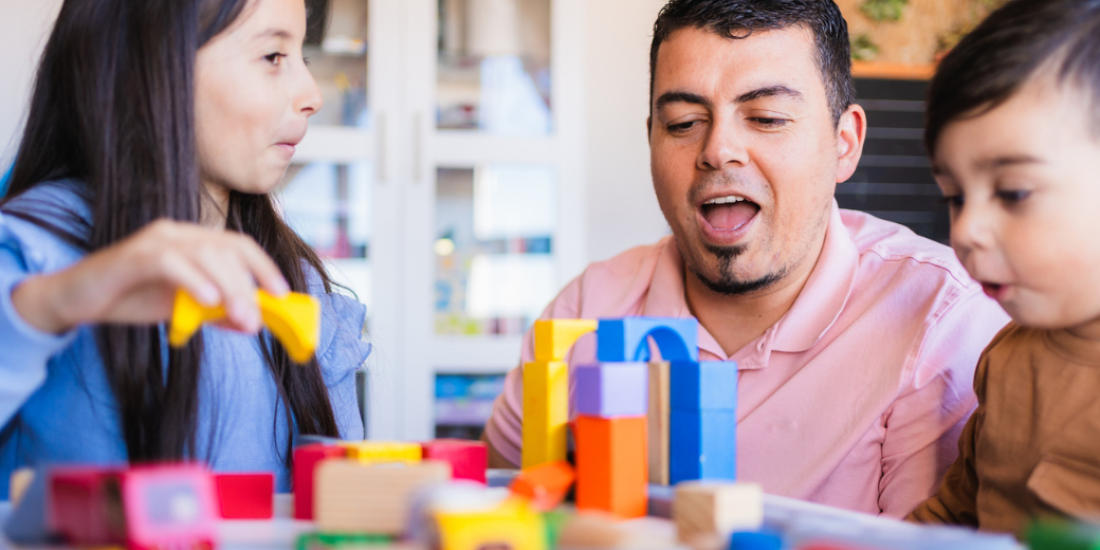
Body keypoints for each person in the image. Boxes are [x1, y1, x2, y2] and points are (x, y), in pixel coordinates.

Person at [483, 0, 1010, 517]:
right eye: (684, 122)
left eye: (766, 117)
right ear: (651, 141)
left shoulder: (939, 318)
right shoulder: (586, 311)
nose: (718, 150)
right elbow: (502, 514)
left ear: (844, 144)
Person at [0, 0, 370, 493]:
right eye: (273, 57)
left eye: (302, 55)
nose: (312, 94)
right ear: (148, 66)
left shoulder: (292, 282)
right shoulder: (33, 255)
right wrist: (54, 303)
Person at [906, 0, 1100, 533]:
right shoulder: (1005, 358)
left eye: (1012, 192)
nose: (966, 229)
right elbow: (951, 515)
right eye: (955, 196)